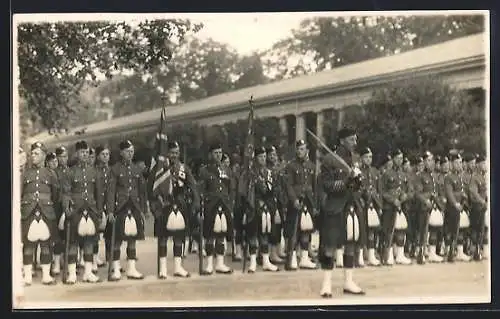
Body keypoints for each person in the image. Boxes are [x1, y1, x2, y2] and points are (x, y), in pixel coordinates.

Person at [318, 128, 365, 297]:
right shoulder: (329, 159)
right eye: (352, 139)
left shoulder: (355, 159)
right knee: (330, 245)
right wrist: (346, 181)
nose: (355, 142)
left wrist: (358, 180)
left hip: (351, 206)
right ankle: (326, 283)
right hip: (335, 206)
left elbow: (359, 186)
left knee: (350, 243)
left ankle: (348, 282)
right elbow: (327, 185)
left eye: (355, 139)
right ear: (343, 140)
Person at [149, 141, 200, 278]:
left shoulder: (184, 168)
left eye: (176, 153)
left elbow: (193, 186)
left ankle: (178, 267)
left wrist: (195, 203)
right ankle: (163, 269)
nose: (174, 155)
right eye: (172, 152)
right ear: (166, 153)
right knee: (163, 238)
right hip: (164, 205)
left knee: (179, 238)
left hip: (180, 205)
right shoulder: (159, 169)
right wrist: (155, 209)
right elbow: (150, 190)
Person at [60, 141, 104, 284]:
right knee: (73, 242)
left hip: (91, 209)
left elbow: (99, 194)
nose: (84, 155)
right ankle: (72, 274)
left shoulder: (95, 172)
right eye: (82, 152)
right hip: (75, 210)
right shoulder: (70, 172)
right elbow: (66, 192)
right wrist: (67, 208)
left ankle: (88, 273)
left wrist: (99, 211)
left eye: (86, 152)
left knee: (89, 242)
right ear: (76, 154)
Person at [106, 140, 147, 281]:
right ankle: (116, 269)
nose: (131, 154)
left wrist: (143, 209)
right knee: (117, 239)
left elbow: (142, 191)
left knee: (132, 239)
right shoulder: (115, 169)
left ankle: (131, 269)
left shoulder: (137, 169)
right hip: (120, 207)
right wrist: (110, 211)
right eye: (128, 151)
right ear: (121, 153)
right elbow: (111, 191)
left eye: (132, 151)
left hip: (134, 206)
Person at [21, 142, 60, 286]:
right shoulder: (25, 173)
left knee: (46, 244)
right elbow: (20, 193)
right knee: (28, 244)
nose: (33, 156)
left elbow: (55, 196)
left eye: (36, 153)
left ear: (43, 156)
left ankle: (46, 276)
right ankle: (27, 277)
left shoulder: (50, 174)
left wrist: (47, 206)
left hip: (46, 211)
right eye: (32, 153)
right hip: (28, 211)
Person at [198, 142, 235, 275]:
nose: (218, 155)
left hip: (224, 204)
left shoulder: (227, 170)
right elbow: (201, 190)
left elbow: (231, 189)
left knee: (222, 235)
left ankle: (220, 263)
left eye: (220, 153)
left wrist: (230, 204)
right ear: (210, 154)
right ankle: (209, 264)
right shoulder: (205, 170)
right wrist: (202, 205)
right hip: (211, 205)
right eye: (215, 153)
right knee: (209, 235)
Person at [283, 140, 318, 271]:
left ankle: (304, 258)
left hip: (308, 201)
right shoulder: (291, 166)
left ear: (307, 151)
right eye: (298, 149)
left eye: (302, 149)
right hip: (296, 201)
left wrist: (314, 205)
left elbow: (314, 187)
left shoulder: (312, 166)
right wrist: (294, 199)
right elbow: (289, 185)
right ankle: (291, 259)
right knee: (293, 231)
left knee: (306, 230)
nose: (299, 151)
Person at [380, 149, 412, 266]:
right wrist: (393, 200)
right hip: (390, 207)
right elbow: (382, 191)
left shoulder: (404, 175)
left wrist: (405, 196)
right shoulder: (387, 174)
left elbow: (410, 190)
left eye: (401, 158)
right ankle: (388, 255)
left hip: (402, 206)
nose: (400, 160)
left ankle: (400, 255)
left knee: (401, 230)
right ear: (393, 159)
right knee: (388, 231)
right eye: (398, 158)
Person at [414, 151, 444, 264]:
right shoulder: (420, 176)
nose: (429, 163)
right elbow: (418, 193)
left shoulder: (436, 176)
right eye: (427, 160)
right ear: (424, 162)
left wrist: (440, 203)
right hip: (424, 207)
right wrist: (426, 200)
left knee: (435, 230)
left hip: (435, 206)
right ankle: (421, 253)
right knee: (423, 231)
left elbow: (439, 192)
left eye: (431, 160)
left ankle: (432, 253)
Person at [444, 153, 471, 262]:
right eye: (456, 163)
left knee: (458, 230)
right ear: (451, 164)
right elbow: (449, 193)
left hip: (461, 206)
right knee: (451, 230)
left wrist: (462, 201)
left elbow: (463, 192)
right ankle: (450, 252)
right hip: (452, 207)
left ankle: (456, 252)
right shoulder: (448, 177)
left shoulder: (460, 176)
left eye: (460, 162)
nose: (459, 165)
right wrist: (456, 203)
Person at [359, 147, 382, 267]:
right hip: (363, 204)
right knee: (362, 230)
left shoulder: (375, 171)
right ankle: (361, 256)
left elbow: (379, 190)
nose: (369, 159)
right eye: (366, 157)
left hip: (373, 204)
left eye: (370, 157)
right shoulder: (358, 171)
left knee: (372, 231)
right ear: (362, 158)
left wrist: (380, 205)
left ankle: (372, 256)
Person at [51, 146, 70, 276]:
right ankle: (56, 262)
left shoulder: (70, 171)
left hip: (68, 205)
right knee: (57, 235)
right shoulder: (53, 172)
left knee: (67, 235)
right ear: (57, 157)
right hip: (56, 206)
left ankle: (66, 260)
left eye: (66, 156)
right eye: (62, 156)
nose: (64, 159)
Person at [266, 145, 287, 264]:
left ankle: (278, 251)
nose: (273, 157)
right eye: (270, 155)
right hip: (270, 200)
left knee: (279, 227)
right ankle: (271, 253)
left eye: (274, 155)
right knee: (272, 227)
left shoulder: (280, 168)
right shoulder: (268, 169)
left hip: (280, 200)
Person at [93, 145, 111, 271]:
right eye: (103, 154)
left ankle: (112, 260)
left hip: (109, 204)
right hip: (97, 204)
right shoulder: (94, 171)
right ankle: (94, 258)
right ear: (98, 156)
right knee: (96, 234)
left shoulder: (112, 171)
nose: (105, 157)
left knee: (110, 234)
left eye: (107, 154)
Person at [468, 154, 488, 261]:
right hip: (476, 207)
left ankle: (479, 250)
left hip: (483, 206)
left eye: (485, 163)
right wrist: (482, 201)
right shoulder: (475, 177)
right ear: (478, 165)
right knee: (476, 229)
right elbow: (473, 192)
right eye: (483, 164)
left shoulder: (485, 176)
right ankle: (475, 250)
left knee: (482, 229)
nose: (485, 165)